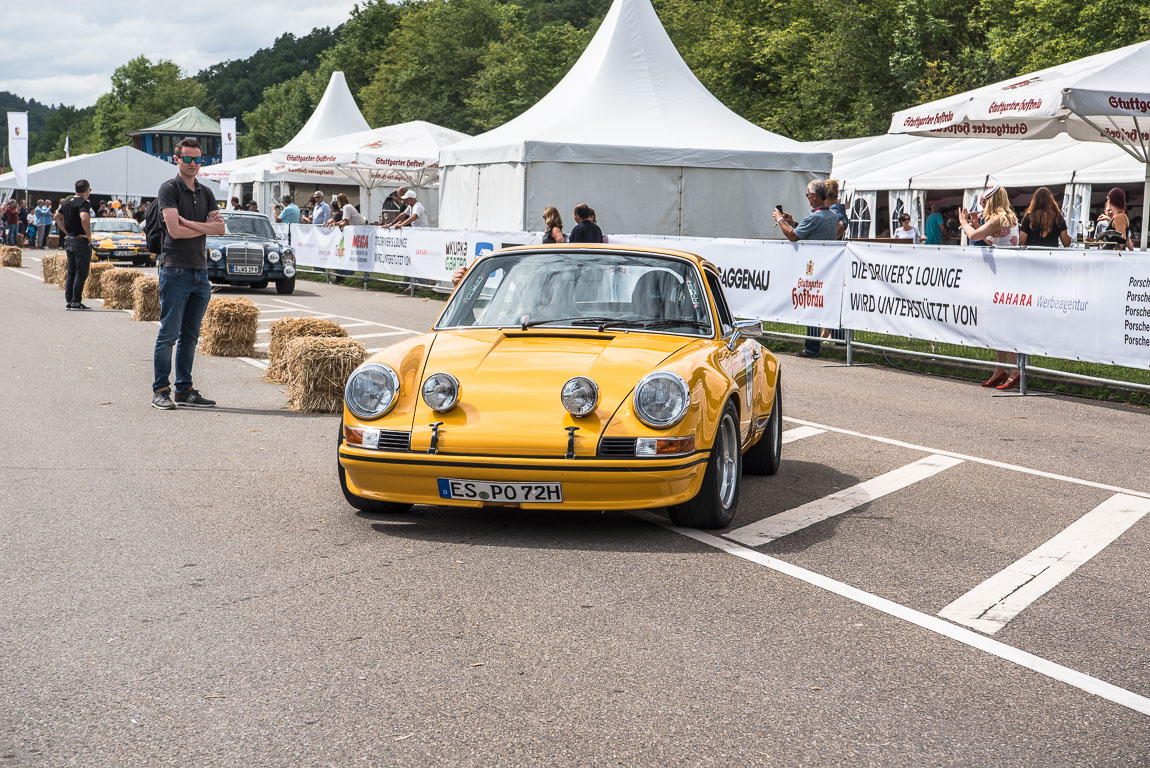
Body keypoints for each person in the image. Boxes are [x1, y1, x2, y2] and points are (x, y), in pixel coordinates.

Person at [151, 138, 224, 411]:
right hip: (175, 269)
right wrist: (204, 226)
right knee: (169, 334)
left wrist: (190, 223)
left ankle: (184, 389)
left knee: (190, 336)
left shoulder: (206, 192)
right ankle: (161, 390)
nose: (193, 164)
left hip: (199, 271)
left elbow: (220, 230)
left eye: (198, 159)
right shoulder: (168, 189)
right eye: (188, 159)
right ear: (176, 159)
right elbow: (174, 231)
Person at [958, 186, 1021, 389]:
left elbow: (974, 237)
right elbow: (993, 239)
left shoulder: (997, 219)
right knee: (998, 324)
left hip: (1002, 278)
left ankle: (1014, 369)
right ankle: (1001, 367)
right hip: (1005, 276)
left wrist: (965, 223)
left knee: (1005, 325)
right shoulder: (1009, 218)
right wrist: (977, 225)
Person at [774, 180, 840, 357]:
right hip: (826, 265)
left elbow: (793, 237)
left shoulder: (815, 217)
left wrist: (780, 220)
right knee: (822, 304)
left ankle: (812, 347)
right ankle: (831, 343)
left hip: (812, 267)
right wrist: (794, 222)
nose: (808, 199)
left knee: (812, 306)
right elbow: (810, 231)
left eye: (808, 196)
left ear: (816, 196)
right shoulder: (832, 216)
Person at [53, 180, 95, 310]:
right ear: (86, 190)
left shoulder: (67, 201)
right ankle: (76, 301)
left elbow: (57, 217)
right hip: (80, 240)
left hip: (70, 239)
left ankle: (69, 300)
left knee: (71, 271)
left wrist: (66, 231)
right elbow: (84, 218)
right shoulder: (83, 203)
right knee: (80, 272)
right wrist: (88, 235)